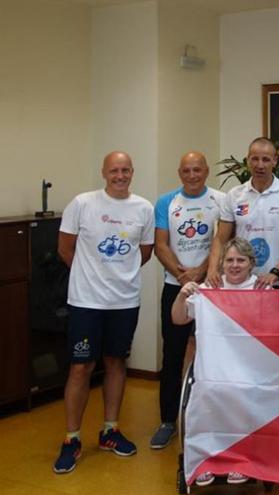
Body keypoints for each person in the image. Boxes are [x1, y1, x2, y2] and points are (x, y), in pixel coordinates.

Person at [53, 151, 155, 474]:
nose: (120, 175)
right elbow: (64, 248)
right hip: (86, 302)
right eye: (114, 170)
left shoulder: (144, 208)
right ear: (104, 172)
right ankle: (71, 439)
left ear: (132, 173)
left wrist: (117, 275)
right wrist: (90, 274)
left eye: (125, 170)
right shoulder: (82, 203)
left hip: (124, 302)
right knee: (81, 368)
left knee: (116, 363)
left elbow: (146, 251)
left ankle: (110, 430)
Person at [171, 237, 267, 486]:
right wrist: (182, 296)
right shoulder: (210, 288)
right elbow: (178, 319)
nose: (235, 266)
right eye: (230, 260)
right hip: (213, 363)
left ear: (251, 264)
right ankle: (205, 461)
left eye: (241, 260)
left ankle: (242, 460)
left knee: (243, 391)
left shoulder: (262, 290)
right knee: (207, 392)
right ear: (222, 263)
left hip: (250, 364)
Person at [149, 151, 225, 449]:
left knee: (213, 356)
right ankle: (168, 420)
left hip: (212, 288)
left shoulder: (220, 199)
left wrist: (202, 271)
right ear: (179, 173)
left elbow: (223, 240)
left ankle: (210, 419)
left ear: (206, 171)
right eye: (186, 171)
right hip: (175, 288)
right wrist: (182, 277)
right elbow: (160, 244)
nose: (192, 175)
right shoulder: (167, 202)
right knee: (172, 355)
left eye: (197, 170)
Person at [207, 137, 279, 289]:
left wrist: (275, 272)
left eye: (266, 159)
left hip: (278, 282)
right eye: (255, 159)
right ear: (247, 161)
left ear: (275, 161)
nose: (260, 165)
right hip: (242, 282)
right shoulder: (234, 195)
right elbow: (220, 239)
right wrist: (212, 269)